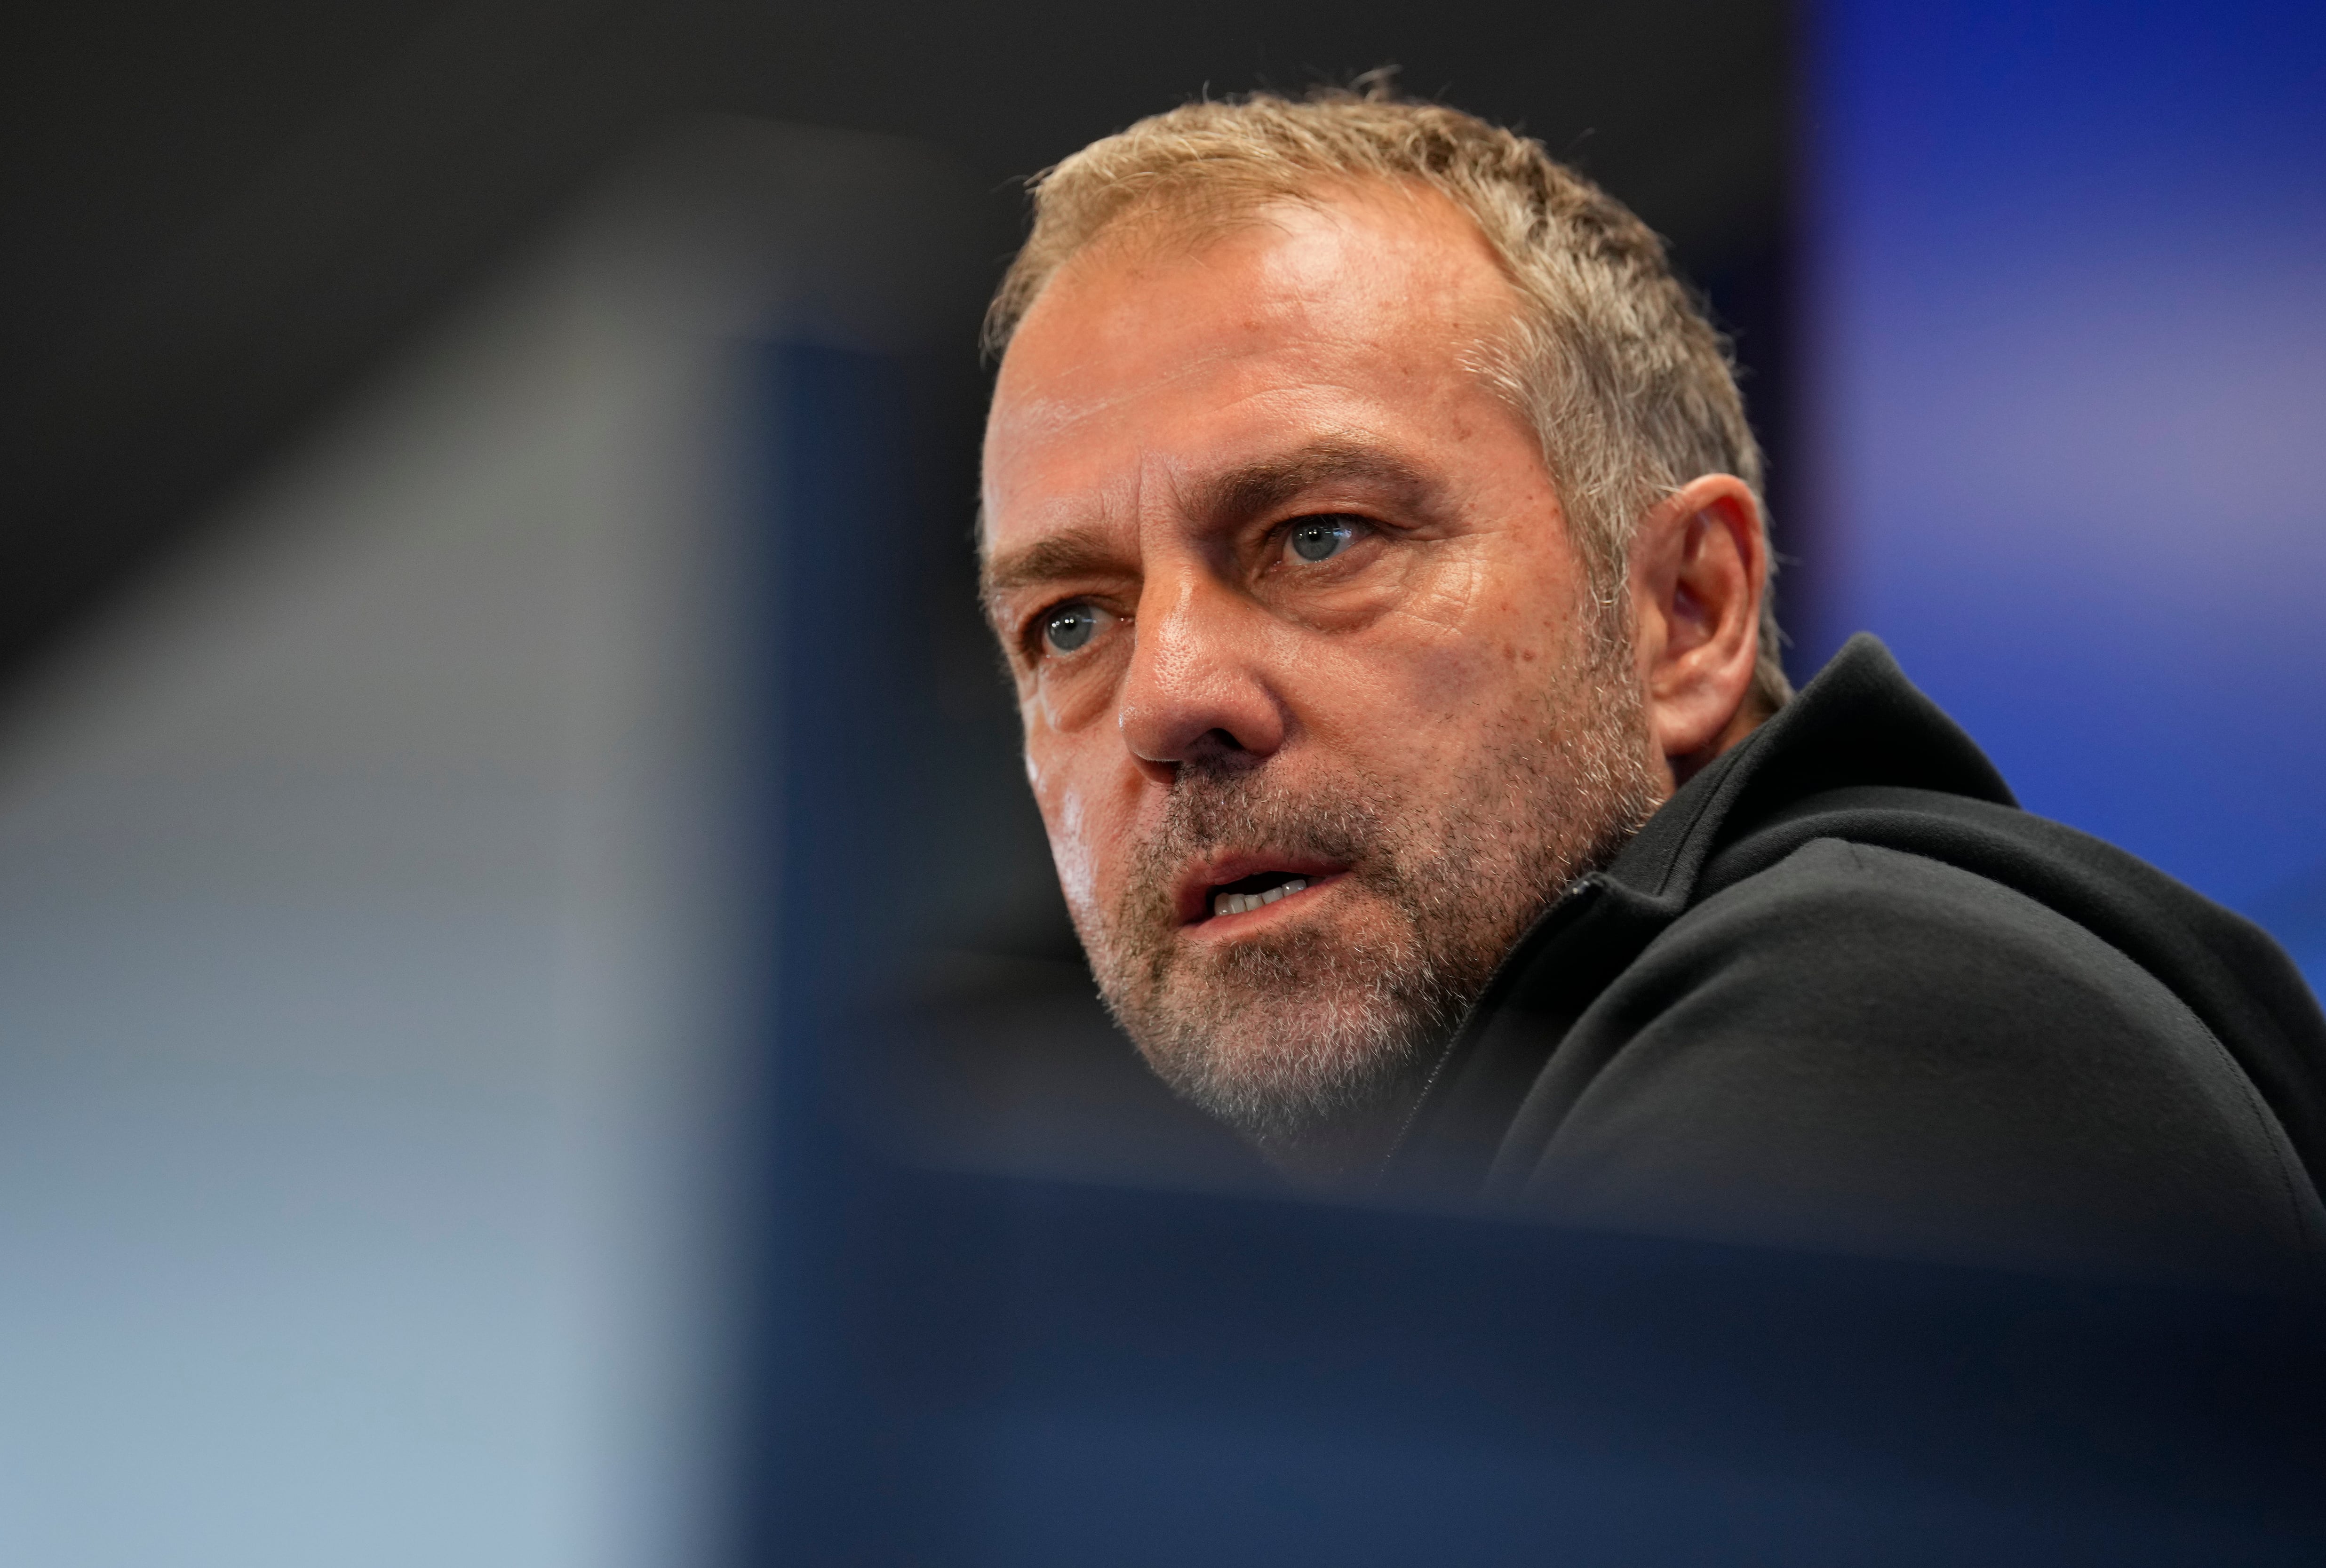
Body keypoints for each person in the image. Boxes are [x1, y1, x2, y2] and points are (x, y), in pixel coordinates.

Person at [973, 88, 2326, 1289]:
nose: (1166, 699)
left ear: (1689, 611)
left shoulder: (1873, 1030)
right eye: (1071, 621)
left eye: (1320, 536)